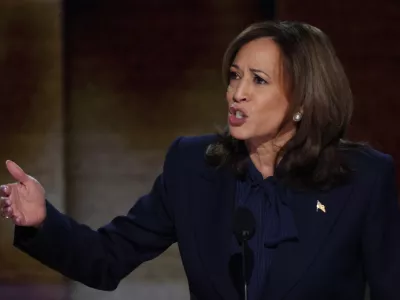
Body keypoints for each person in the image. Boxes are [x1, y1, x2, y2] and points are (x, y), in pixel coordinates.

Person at [1, 20, 399, 300]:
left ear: (302, 101)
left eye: (258, 80)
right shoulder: (193, 166)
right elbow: (106, 260)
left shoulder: (362, 179)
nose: (236, 93)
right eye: (234, 75)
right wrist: (42, 221)